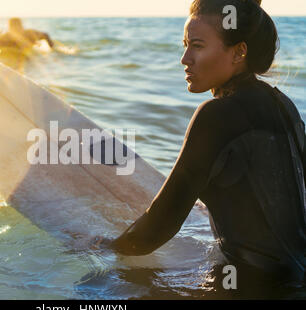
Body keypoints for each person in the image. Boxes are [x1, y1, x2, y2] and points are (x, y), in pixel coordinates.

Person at [108, 0, 305, 284]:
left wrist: (101, 249)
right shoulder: (285, 105)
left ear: (239, 52)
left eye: (197, 46)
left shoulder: (217, 116)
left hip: (248, 288)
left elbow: (158, 227)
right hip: (296, 280)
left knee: (97, 287)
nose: (185, 58)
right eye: (185, 44)